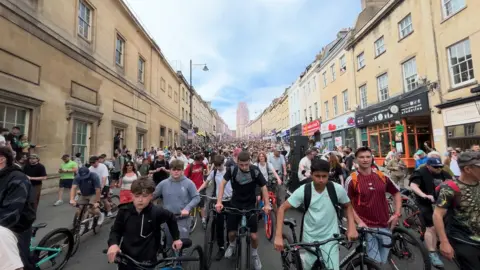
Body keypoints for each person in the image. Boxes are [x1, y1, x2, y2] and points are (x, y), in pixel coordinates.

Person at [274, 159, 358, 270]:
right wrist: (278, 236)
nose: (321, 180)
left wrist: (351, 227)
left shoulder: (336, 189)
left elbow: (348, 206)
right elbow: (282, 209)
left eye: (324, 176)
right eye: (317, 176)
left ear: (329, 175)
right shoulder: (304, 190)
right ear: (311, 174)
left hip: (331, 238)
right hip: (310, 238)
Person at [107, 179, 183, 269]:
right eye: (137, 196)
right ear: (132, 196)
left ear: (151, 196)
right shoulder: (124, 211)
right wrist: (113, 244)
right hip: (127, 257)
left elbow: (171, 218)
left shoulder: (157, 211)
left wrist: (176, 238)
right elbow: (116, 230)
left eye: (144, 196)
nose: (140, 200)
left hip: (148, 258)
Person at [215, 151, 271, 270]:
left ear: (250, 162)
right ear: (237, 162)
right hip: (235, 204)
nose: (244, 167)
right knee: (231, 233)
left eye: (246, 164)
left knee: (254, 236)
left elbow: (264, 187)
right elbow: (222, 184)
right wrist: (219, 202)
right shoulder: (232, 170)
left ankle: (255, 255)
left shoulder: (255, 170)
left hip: (250, 205)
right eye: (241, 165)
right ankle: (232, 244)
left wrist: (266, 204)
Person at [345, 146, 401, 265]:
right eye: (361, 157)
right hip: (366, 227)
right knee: (375, 263)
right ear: (356, 160)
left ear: (372, 158)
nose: (365, 160)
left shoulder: (382, 176)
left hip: (385, 225)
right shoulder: (352, 179)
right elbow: (347, 204)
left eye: (367, 157)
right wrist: (358, 221)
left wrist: (396, 214)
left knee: (383, 261)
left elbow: (396, 192)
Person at [433, 151, 480, 270]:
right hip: (464, 240)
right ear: (468, 169)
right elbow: (437, 215)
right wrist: (444, 242)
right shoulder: (450, 189)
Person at [409, 157, 451, 268]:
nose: (438, 169)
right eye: (435, 167)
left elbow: (453, 185)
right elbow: (413, 186)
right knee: (431, 227)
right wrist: (424, 195)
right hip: (425, 202)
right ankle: (432, 253)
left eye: (440, 166)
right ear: (428, 166)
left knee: (443, 224)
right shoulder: (420, 172)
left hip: (441, 202)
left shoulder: (445, 173)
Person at [0, 146, 36, 270]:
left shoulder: (17, 179)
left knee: (19, 263)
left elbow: (10, 215)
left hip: (16, 226)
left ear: (1, 159)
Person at [152, 160, 200, 247]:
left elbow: (196, 197)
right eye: (174, 169)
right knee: (169, 244)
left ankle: (180, 260)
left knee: (181, 245)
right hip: (168, 219)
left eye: (179, 169)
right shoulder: (163, 184)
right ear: (170, 170)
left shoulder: (189, 183)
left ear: (182, 171)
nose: (176, 172)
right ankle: (170, 259)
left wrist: (187, 208)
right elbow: (152, 196)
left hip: (182, 219)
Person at [198, 155, 232, 260]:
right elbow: (206, 183)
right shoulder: (214, 172)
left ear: (223, 163)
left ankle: (230, 244)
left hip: (230, 200)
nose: (218, 167)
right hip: (219, 201)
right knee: (219, 225)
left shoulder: (230, 171)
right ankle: (221, 247)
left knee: (230, 225)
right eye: (216, 166)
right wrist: (198, 190)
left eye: (219, 165)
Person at [184, 153, 208, 228]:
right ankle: (190, 218)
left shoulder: (202, 164)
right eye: (200, 161)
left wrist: (206, 175)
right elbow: (185, 178)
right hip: (192, 188)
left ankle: (203, 219)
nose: (202, 162)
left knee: (202, 205)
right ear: (196, 160)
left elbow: (206, 167)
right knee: (191, 205)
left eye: (202, 161)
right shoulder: (189, 166)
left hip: (201, 187)